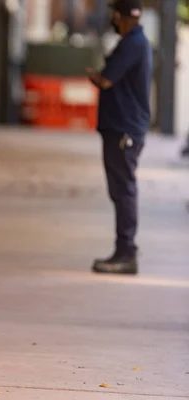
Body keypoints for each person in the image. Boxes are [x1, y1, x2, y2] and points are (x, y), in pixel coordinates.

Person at [86, 0, 152, 274]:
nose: (112, 19)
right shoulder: (136, 42)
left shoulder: (132, 44)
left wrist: (94, 74)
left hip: (123, 129)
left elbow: (107, 80)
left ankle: (126, 253)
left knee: (123, 190)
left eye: (114, 14)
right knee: (121, 190)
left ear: (121, 16)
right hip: (124, 126)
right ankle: (123, 250)